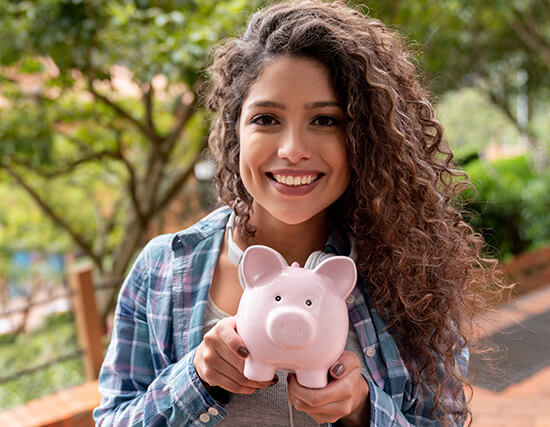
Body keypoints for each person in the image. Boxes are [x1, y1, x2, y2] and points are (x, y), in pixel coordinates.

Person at [94, 1, 500, 426]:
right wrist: (195, 378)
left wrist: (364, 410)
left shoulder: (409, 274)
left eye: (324, 120)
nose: (291, 150)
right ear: (236, 130)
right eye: (266, 118)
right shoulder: (163, 269)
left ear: (363, 137)